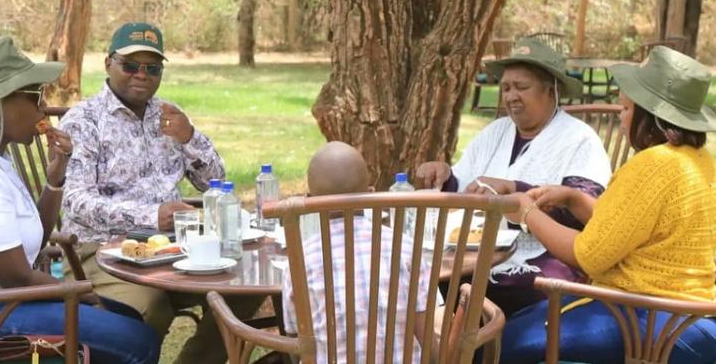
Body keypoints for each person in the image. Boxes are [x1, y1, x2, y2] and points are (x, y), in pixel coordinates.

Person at [0, 36, 160, 364]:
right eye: (35, 96)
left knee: (130, 319)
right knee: (138, 341)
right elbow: (15, 277)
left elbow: (32, 237)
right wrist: (79, 293)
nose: (43, 107)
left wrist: (55, 178)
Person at [500, 46, 716, 363]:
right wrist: (575, 198)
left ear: (650, 118)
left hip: (650, 318)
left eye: (626, 110)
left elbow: (587, 255)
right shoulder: (700, 161)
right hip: (693, 318)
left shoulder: (652, 166)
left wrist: (527, 212)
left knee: (500, 341)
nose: (621, 116)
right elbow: (625, 228)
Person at [60, 22, 260, 363]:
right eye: (131, 65)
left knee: (243, 292)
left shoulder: (169, 116)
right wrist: (151, 216)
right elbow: (76, 202)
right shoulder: (84, 121)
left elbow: (216, 182)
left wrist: (190, 138)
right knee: (152, 306)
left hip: (172, 249)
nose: (142, 75)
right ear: (108, 63)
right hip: (102, 252)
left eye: (152, 68)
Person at [416, 38, 613, 316]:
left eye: (521, 87)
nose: (510, 96)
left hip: (546, 257)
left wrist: (515, 191)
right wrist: (445, 175)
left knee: (464, 291)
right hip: (478, 254)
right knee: (429, 282)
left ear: (550, 90)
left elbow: (584, 213)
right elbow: (462, 183)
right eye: (506, 88)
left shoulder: (579, 139)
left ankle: (475, 351)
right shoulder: (495, 131)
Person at [282, 141, 439, 363]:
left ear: (310, 202)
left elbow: (296, 342)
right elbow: (425, 334)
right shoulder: (404, 248)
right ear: (370, 193)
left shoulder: (300, 260)